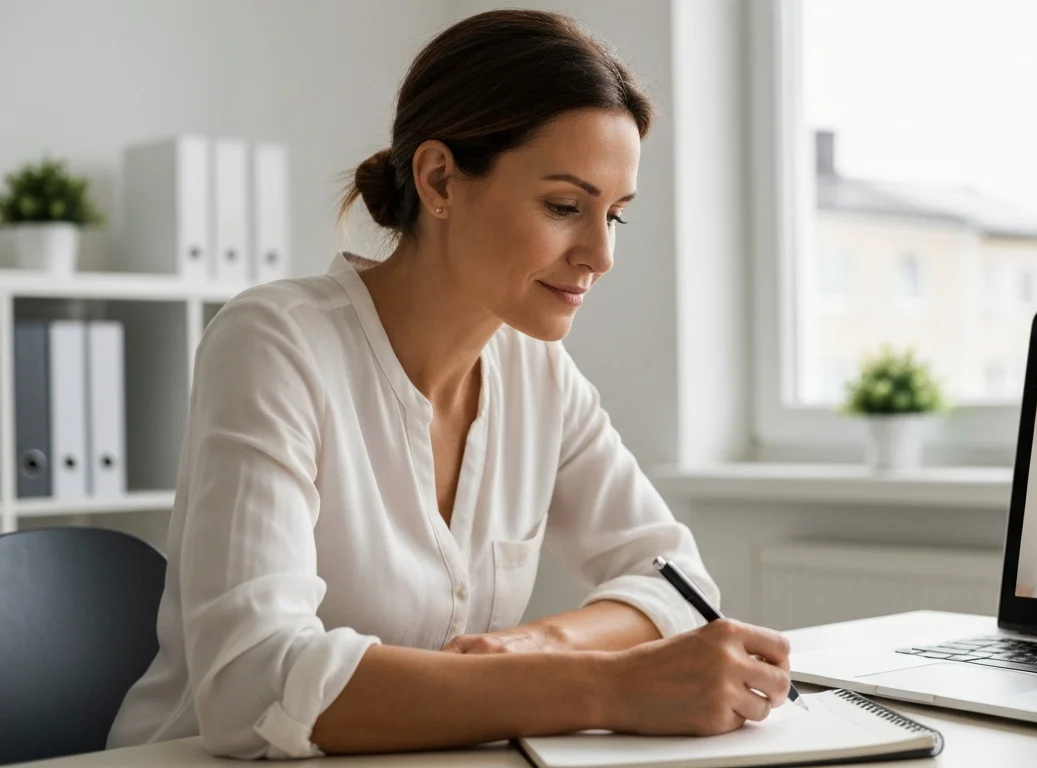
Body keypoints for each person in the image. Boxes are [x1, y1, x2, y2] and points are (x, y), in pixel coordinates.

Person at [107, 10, 793, 759]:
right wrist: (606, 686)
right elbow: (252, 684)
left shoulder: (538, 374)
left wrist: (542, 642)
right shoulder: (276, 342)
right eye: (565, 206)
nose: (600, 254)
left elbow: (678, 581)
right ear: (439, 179)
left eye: (615, 215)